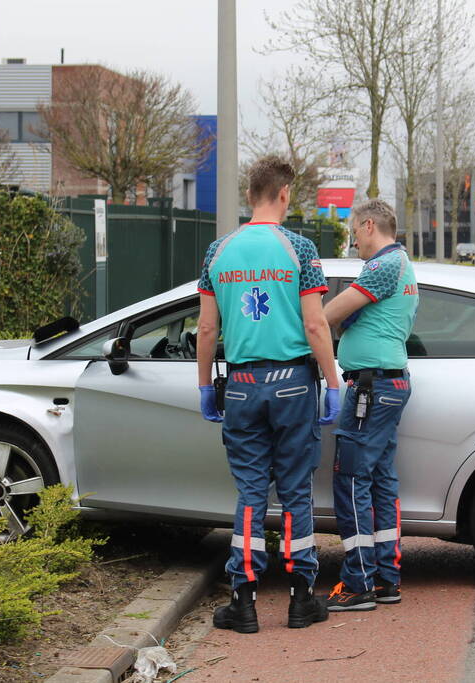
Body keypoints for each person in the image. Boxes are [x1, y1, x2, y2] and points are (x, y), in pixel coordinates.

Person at [195, 155, 342, 633]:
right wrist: (334, 383)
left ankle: (244, 602)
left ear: (249, 194)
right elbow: (316, 323)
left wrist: (203, 386)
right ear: (283, 194)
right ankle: (302, 599)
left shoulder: (218, 251)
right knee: (297, 491)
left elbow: (206, 327)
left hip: (240, 386)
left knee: (250, 495)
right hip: (293, 383)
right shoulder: (298, 248)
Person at [321, 199, 418, 611]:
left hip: (371, 389)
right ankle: (385, 578)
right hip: (383, 384)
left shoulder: (383, 267)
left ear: (368, 225)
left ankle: (358, 582)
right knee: (379, 480)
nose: (353, 240)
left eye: (354, 232)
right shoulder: (402, 266)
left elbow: (328, 314)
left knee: (352, 479)